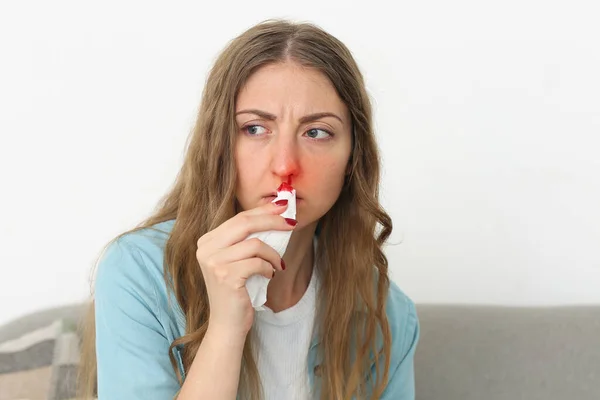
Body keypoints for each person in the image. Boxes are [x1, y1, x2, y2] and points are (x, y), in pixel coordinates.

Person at [78, 19, 420, 400]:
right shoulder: (137, 273)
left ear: (353, 157)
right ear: (219, 145)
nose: (285, 165)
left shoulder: (386, 313)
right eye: (255, 129)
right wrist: (225, 327)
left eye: (316, 132)